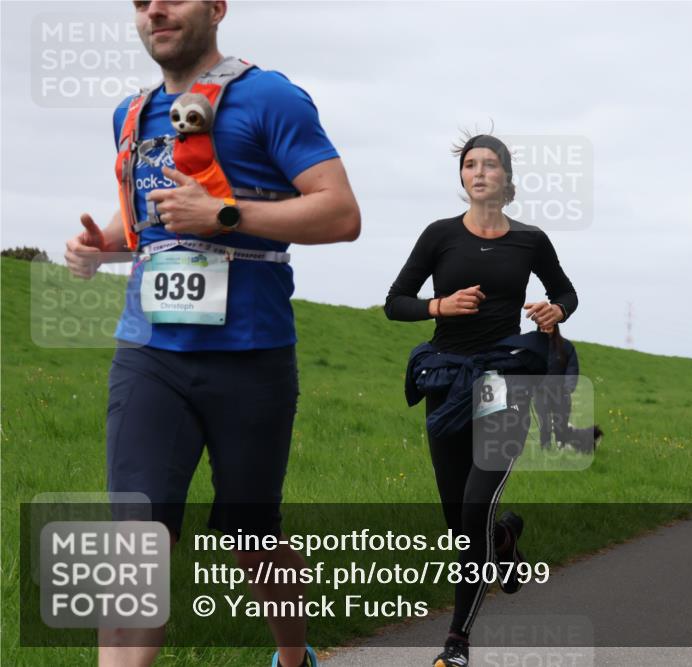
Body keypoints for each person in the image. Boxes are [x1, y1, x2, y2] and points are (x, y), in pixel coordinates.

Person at [63, 2, 361, 666]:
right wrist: (100, 246)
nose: (155, 10)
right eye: (141, 2)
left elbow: (341, 212)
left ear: (218, 7)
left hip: (251, 357)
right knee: (136, 543)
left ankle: (293, 656)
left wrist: (223, 214)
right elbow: (155, 223)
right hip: (150, 354)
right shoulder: (131, 115)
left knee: (252, 534)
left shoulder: (270, 97)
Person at [385, 133, 577, 667]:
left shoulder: (530, 240)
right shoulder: (439, 236)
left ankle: (457, 642)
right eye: (470, 164)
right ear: (462, 178)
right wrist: (439, 306)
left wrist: (554, 312)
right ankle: (505, 539)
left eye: (489, 164)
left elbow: (567, 293)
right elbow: (394, 302)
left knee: (473, 508)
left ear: (506, 179)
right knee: (459, 520)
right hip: (447, 382)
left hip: (503, 381)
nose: (479, 172)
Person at [534, 325, 602, 452]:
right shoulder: (534, 347)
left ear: (555, 328)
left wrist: (568, 387)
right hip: (540, 393)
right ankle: (545, 448)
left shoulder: (566, 347)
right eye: (542, 328)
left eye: (548, 328)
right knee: (545, 424)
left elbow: (572, 369)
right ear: (538, 329)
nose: (545, 331)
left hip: (561, 393)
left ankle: (562, 447)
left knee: (561, 424)